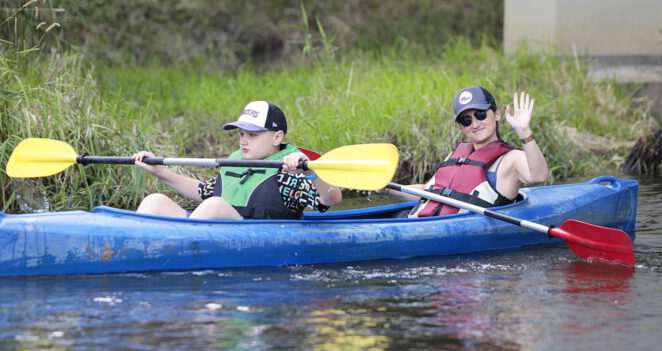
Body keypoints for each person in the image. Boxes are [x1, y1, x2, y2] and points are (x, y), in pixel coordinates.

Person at [133, 101, 342, 219]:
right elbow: (203, 192)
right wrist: (159, 172)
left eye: (253, 135)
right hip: (209, 230)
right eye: (242, 134)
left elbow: (331, 199)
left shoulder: (288, 172)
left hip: (256, 238)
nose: (244, 142)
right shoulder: (238, 162)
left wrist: (308, 170)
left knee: (215, 206)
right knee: (156, 201)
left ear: (277, 137)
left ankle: (178, 246)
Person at [385, 86, 548, 217]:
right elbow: (427, 192)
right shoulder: (455, 156)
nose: (475, 124)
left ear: (497, 114)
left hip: (460, 230)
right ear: (461, 127)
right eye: (466, 120)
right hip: (425, 223)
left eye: (480, 115)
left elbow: (538, 176)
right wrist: (385, 188)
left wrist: (524, 131)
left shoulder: (511, 158)